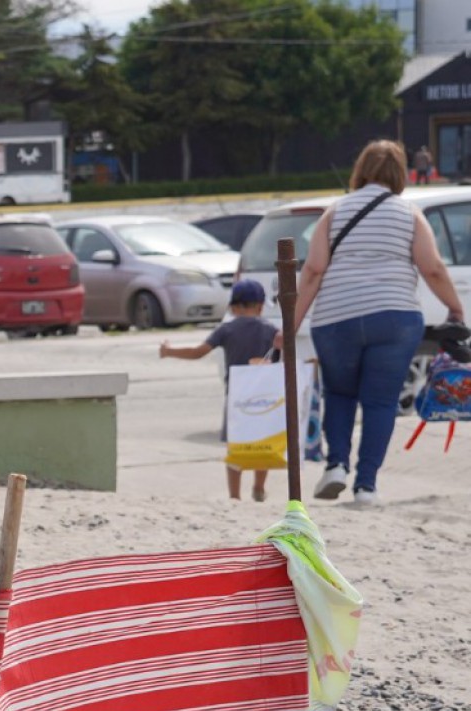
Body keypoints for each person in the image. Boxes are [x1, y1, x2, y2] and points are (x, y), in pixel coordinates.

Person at [289, 139, 467, 507]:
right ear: (400, 173)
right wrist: (456, 309)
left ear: (361, 170)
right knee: (380, 402)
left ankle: (336, 465)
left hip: (336, 318)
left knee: (339, 393)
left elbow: (313, 270)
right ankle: (366, 486)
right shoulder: (409, 214)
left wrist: (290, 326)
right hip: (395, 317)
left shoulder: (334, 212)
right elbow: (431, 267)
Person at [159, 278, 279, 501]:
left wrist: (169, 351)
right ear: (261, 306)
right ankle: (259, 487)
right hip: (264, 397)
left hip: (236, 397)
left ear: (233, 307)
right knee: (262, 443)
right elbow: (280, 359)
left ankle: (235, 495)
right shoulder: (271, 330)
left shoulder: (226, 330)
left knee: (236, 447)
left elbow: (198, 352)